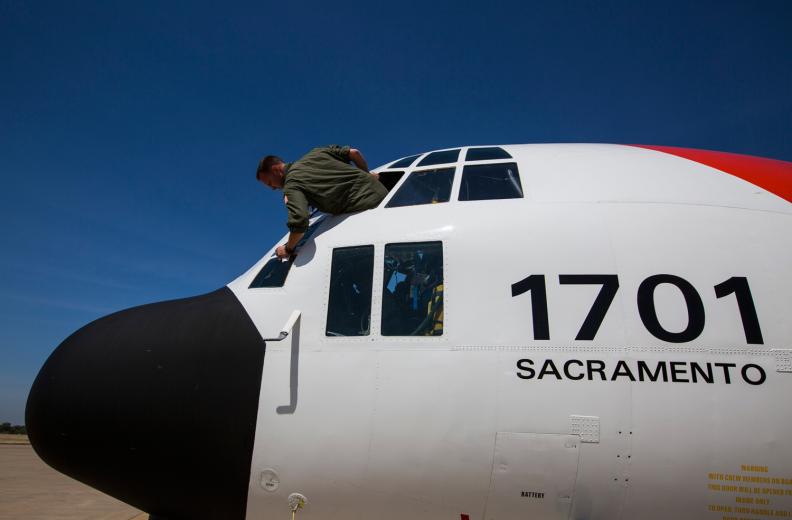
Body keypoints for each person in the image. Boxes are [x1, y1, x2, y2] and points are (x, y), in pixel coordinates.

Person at [256, 145, 387, 258]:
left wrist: (288, 249)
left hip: (367, 206)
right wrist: (367, 174)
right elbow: (354, 153)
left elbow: (300, 221)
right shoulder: (316, 152)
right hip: (384, 192)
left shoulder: (292, 183)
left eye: (269, 183)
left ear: (275, 170)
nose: (273, 188)